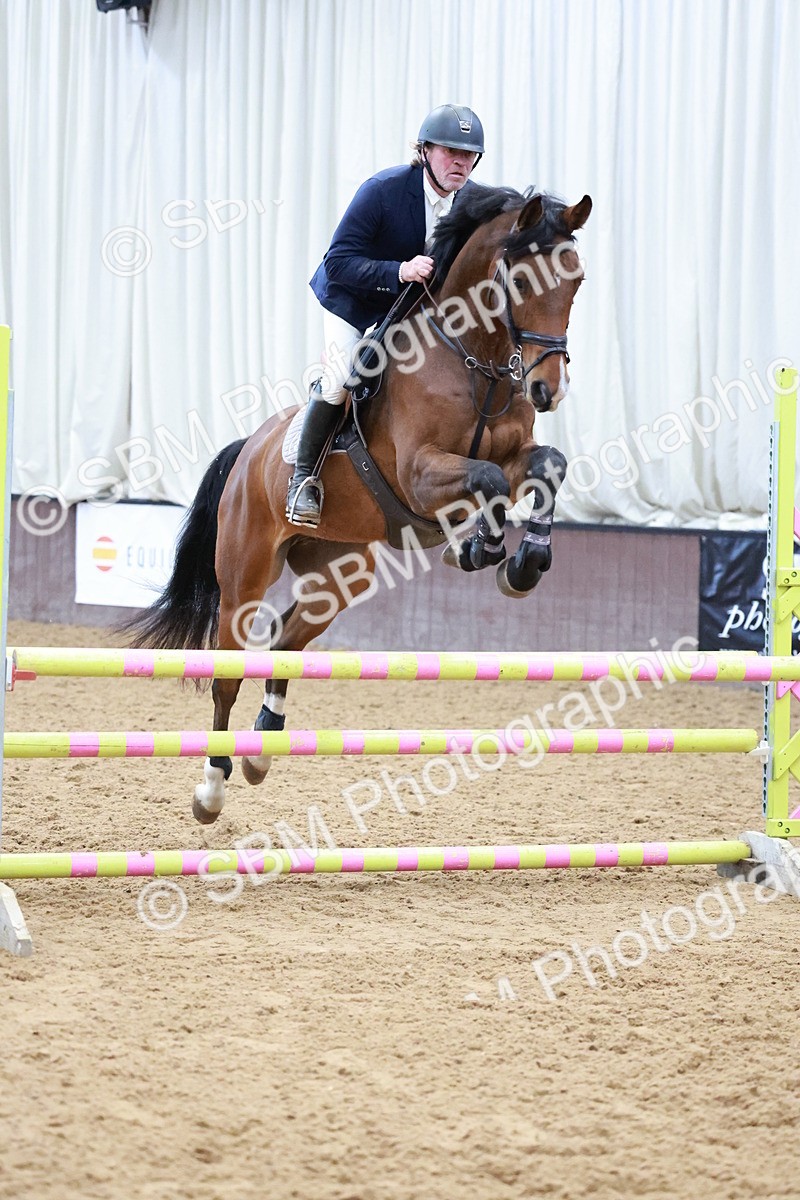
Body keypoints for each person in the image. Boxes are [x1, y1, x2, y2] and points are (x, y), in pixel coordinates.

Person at [286, 103, 485, 526]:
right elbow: (338, 261)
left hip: (410, 311)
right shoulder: (384, 190)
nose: (460, 162)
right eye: (450, 151)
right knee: (343, 376)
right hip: (355, 302)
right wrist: (399, 270)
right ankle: (303, 481)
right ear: (426, 151)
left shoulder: (471, 204)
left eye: (468, 155)